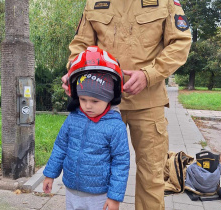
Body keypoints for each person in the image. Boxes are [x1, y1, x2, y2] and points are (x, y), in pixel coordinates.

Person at [62, 1, 192, 209]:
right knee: (94, 170)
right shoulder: (95, 2)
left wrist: (149, 75)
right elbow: (81, 45)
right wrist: (74, 72)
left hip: (148, 103)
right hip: (103, 104)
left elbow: (181, 42)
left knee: (151, 177)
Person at [43, 47, 130, 210]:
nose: (88, 106)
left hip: (99, 196)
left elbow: (121, 163)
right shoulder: (73, 118)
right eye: (83, 99)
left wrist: (114, 197)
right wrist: (50, 174)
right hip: (72, 191)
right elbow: (60, 147)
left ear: (109, 97)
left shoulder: (115, 126)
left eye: (95, 101)